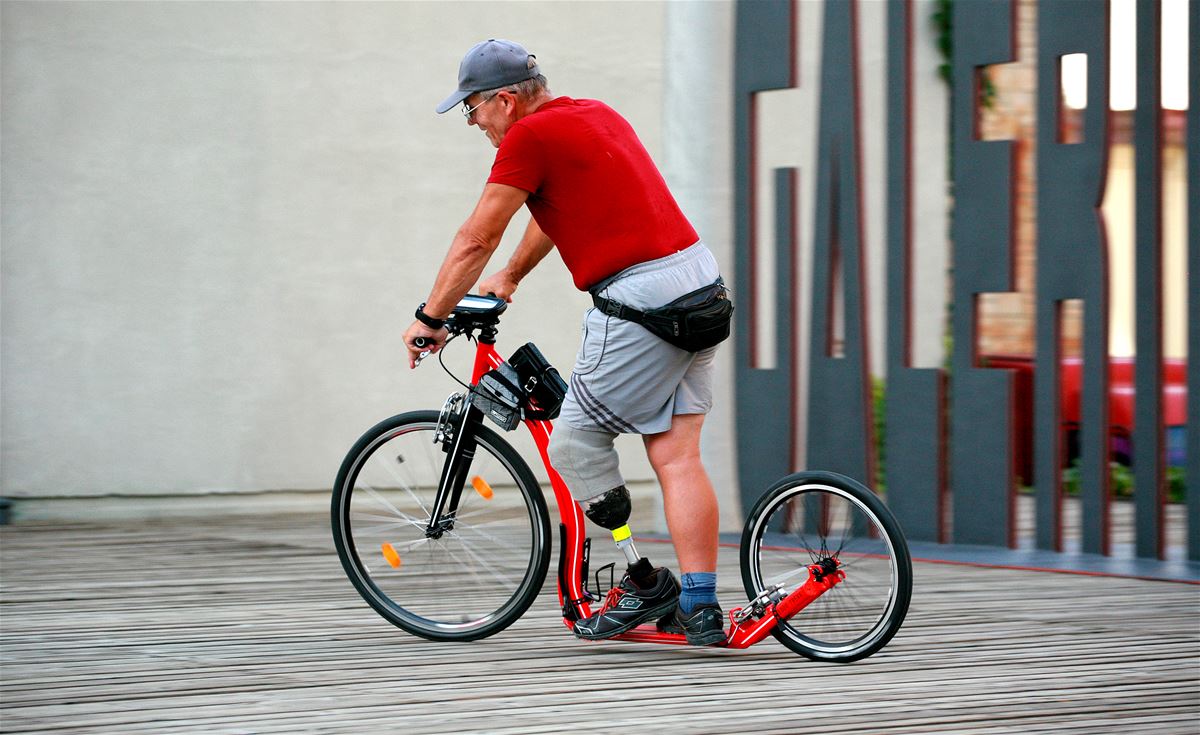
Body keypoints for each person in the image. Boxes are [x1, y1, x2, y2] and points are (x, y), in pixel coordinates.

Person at [402, 39, 725, 646]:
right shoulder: (594, 114)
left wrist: (430, 315)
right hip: (702, 287)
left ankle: (644, 582)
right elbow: (554, 210)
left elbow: (477, 236)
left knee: (575, 441)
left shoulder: (527, 138)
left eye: (472, 108)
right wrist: (512, 278)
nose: (472, 123)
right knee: (677, 455)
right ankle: (702, 608)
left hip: (641, 300)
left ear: (504, 99)